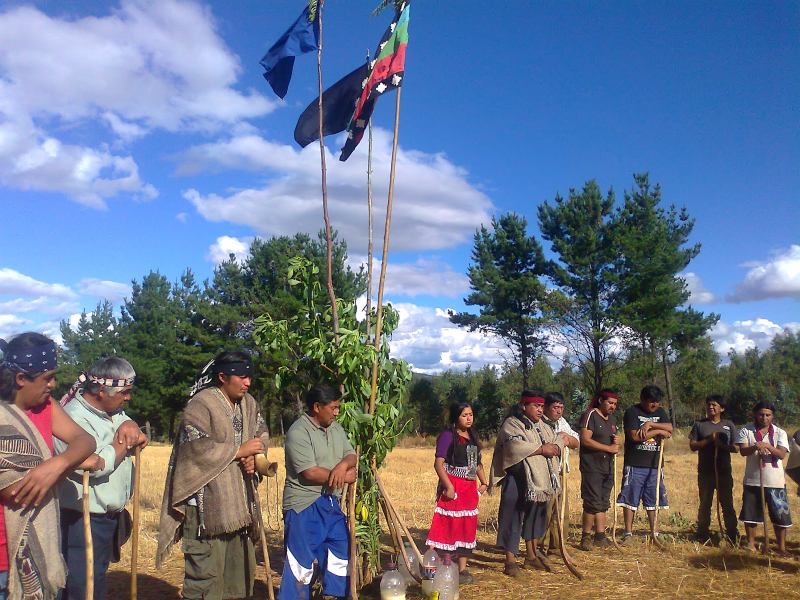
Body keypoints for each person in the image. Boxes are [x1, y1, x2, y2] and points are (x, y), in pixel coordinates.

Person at [156, 351, 270, 600]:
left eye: (249, 377)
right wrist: (239, 450)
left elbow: (260, 432)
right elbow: (195, 449)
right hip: (207, 511)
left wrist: (255, 455)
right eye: (241, 377)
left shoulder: (249, 404)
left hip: (240, 507)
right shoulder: (201, 404)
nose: (247, 383)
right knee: (206, 580)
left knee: (236, 579)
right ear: (222, 376)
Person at [0, 333, 96, 600]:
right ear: (21, 379)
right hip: (3, 556)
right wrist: (71, 467)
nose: (53, 384)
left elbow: (85, 440)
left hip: (39, 548)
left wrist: (57, 463)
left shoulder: (46, 407)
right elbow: (17, 492)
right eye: (47, 378)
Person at [56, 358, 149, 600]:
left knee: (95, 579)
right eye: (124, 392)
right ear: (100, 390)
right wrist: (124, 442)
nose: (128, 397)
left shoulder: (112, 412)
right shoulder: (72, 418)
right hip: (80, 519)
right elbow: (94, 466)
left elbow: (127, 426)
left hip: (106, 520)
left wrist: (131, 425)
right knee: (81, 586)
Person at [279, 384, 357, 600]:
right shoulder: (298, 432)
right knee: (300, 564)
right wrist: (343, 476)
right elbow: (309, 472)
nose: (336, 412)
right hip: (303, 505)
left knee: (341, 551)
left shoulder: (336, 429)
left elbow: (351, 455)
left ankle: (335, 595)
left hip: (331, 502)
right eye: (332, 408)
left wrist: (342, 467)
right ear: (316, 407)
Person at [489, 390, 564, 578]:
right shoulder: (512, 424)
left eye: (541, 406)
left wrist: (555, 447)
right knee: (512, 516)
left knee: (535, 515)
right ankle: (510, 560)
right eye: (536, 406)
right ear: (524, 406)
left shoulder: (544, 425)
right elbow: (513, 446)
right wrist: (541, 449)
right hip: (516, 477)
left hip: (538, 481)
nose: (540, 410)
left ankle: (531, 555)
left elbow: (557, 440)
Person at [425, 400, 488, 585]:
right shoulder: (447, 436)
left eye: (471, 414)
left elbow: (476, 463)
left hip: (469, 489)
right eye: (464, 415)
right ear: (456, 417)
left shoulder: (472, 436)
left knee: (466, 526)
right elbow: (439, 463)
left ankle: (462, 570)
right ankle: (442, 567)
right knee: (448, 524)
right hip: (453, 486)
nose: (469, 418)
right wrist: (449, 486)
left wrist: (484, 482)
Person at [616, 385, 673, 545]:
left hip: (655, 464)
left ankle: (655, 532)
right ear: (642, 399)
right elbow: (635, 437)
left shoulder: (660, 412)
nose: (654, 405)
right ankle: (628, 533)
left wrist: (650, 424)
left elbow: (669, 428)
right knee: (630, 498)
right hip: (635, 463)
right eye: (651, 402)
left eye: (656, 402)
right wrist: (656, 432)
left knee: (653, 499)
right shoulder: (632, 413)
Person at [737, 401, 792, 555]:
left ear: (772, 416)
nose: (764, 418)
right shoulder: (746, 431)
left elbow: (781, 454)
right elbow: (743, 451)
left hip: (776, 481)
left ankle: (781, 548)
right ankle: (751, 545)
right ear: (755, 414)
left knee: (780, 516)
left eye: (768, 415)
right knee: (751, 515)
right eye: (761, 414)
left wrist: (767, 446)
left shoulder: (780, 432)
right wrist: (756, 446)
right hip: (753, 480)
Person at [688, 394, 738, 544]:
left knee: (727, 504)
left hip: (723, 472)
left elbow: (737, 447)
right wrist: (710, 440)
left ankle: (732, 535)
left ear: (722, 408)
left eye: (714, 405)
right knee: (705, 504)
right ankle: (702, 534)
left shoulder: (728, 425)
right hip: (705, 472)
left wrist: (722, 446)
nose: (711, 407)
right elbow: (692, 446)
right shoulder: (700, 424)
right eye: (709, 404)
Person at [578, 389, 620, 551]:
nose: (613, 406)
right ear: (600, 401)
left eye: (615, 404)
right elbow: (585, 440)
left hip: (607, 466)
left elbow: (612, 442)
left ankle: (600, 536)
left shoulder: (612, 419)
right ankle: (586, 536)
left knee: (603, 502)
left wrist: (617, 442)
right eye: (610, 403)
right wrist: (609, 448)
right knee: (592, 502)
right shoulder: (590, 415)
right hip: (592, 466)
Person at [539, 392, 579, 556]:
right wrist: (557, 441)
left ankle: (557, 545)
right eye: (555, 407)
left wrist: (568, 438)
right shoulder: (540, 423)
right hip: (545, 472)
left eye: (561, 407)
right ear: (547, 408)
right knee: (545, 511)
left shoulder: (562, 423)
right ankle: (540, 545)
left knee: (561, 510)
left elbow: (576, 442)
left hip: (561, 472)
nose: (559, 411)